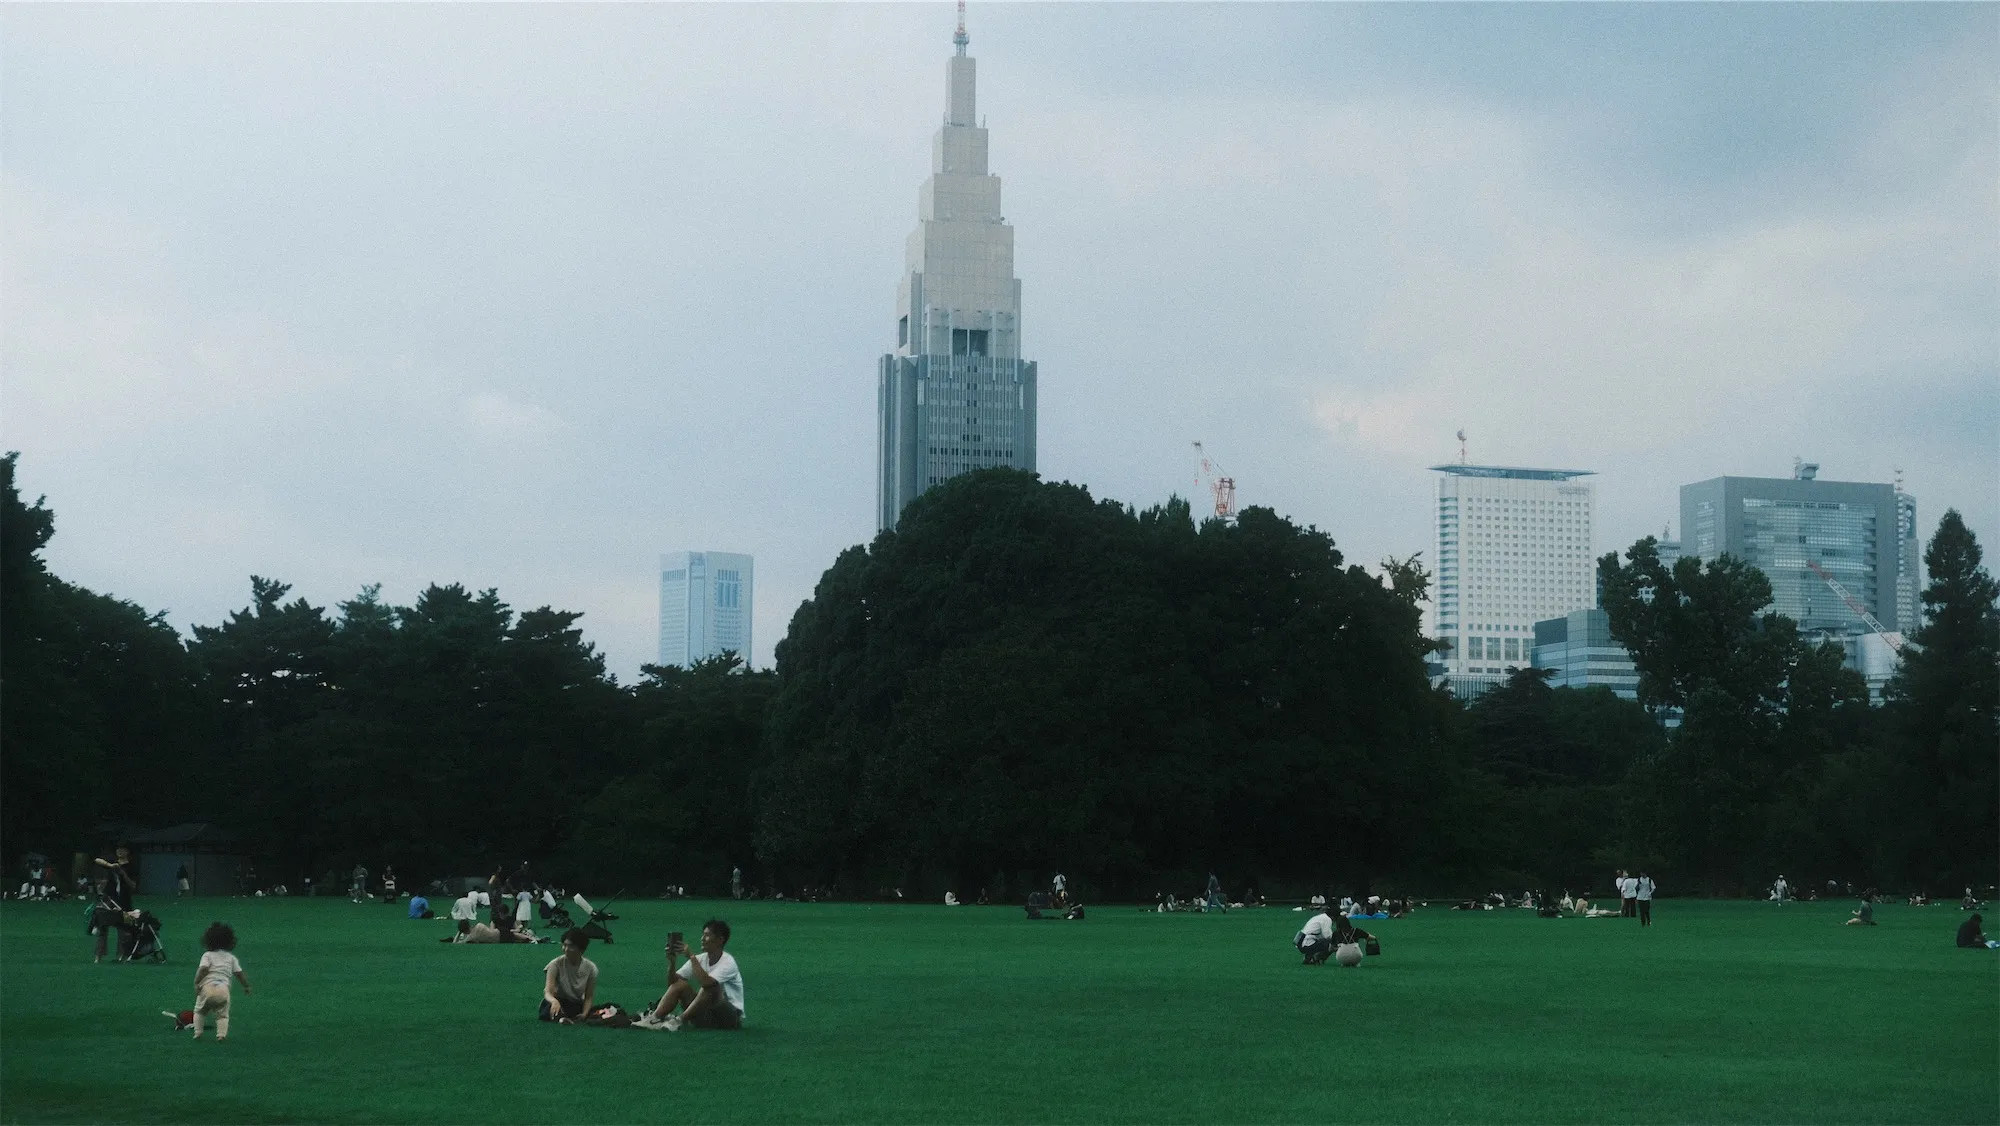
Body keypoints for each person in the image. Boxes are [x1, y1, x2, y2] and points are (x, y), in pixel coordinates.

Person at [638, 920, 744, 1031]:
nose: (702, 938)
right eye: (703, 935)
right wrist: (672, 962)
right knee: (680, 985)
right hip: (708, 1016)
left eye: (707, 935)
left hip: (730, 1018)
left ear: (720, 940)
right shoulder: (700, 959)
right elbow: (673, 984)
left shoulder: (728, 962)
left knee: (710, 988)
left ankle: (678, 1021)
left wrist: (691, 956)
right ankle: (653, 1019)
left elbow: (707, 983)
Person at [191, 922, 252, 1040]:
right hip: (223, 990)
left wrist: (196, 982)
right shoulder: (231, 958)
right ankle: (221, 1035)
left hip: (206, 989)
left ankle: (198, 1032)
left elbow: (203, 969)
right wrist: (247, 986)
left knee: (199, 1011)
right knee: (222, 1015)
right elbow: (239, 974)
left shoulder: (207, 955)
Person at [92, 846, 139, 963]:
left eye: (122, 849)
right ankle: (98, 956)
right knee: (103, 926)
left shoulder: (131, 866)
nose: (119, 851)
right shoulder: (113, 862)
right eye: (118, 849)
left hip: (124, 900)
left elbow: (133, 885)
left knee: (124, 929)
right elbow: (97, 860)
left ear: (127, 852)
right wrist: (110, 866)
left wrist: (123, 874)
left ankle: (122, 955)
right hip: (109, 898)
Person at [539, 929, 598, 1022]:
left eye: (571, 946)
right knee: (548, 1011)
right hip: (556, 1000)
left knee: (586, 1012)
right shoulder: (555, 964)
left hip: (575, 1003)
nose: (566, 949)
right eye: (564, 945)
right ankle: (563, 1018)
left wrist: (584, 1014)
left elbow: (589, 996)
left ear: (581, 949)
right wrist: (554, 1001)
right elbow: (548, 992)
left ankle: (565, 1018)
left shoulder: (591, 968)